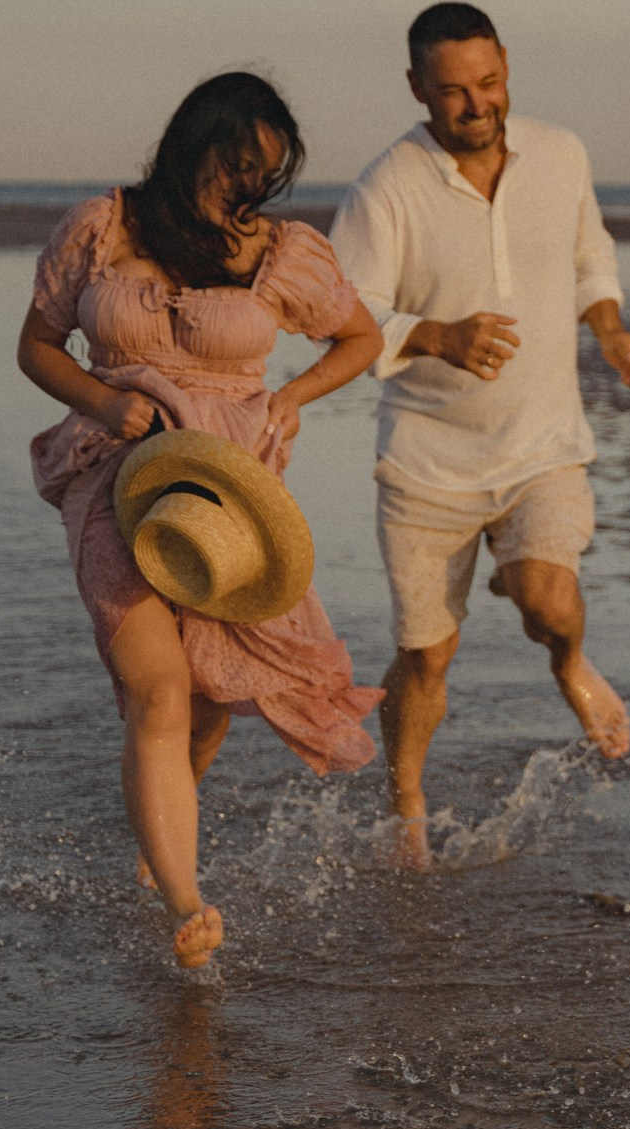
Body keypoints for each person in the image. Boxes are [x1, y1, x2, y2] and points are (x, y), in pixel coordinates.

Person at [19, 71, 386, 969]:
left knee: (214, 695)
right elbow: (35, 345)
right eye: (235, 166)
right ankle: (186, 900)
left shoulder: (279, 250)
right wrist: (103, 407)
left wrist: (293, 397)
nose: (246, 189)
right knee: (159, 688)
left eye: (264, 173)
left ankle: (162, 822)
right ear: (192, 144)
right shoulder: (102, 228)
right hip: (118, 475)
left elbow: (362, 337)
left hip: (230, 493)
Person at [330, 2, 630, 863]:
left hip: (542, 444)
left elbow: (592, 255)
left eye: (489, 84)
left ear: (507, 66)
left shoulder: (562, 153)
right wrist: (438, 334)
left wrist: (613, 332)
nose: (476, 105)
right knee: (428, 660)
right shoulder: (385, 186)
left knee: (548, 599)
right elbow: (342, 314)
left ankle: (571, 668)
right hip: (427, 464)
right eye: (453, 93)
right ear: (416, 89)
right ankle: (406, 803)